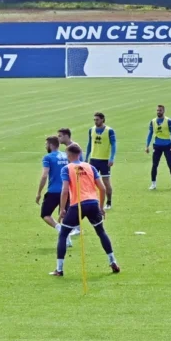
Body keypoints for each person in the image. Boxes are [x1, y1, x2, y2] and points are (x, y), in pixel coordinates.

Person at [53, 144, 120, 276]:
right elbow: (102, 188)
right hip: (93, 203)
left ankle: (59, 269)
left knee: (63, 234)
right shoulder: (91, 167)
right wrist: (101, 207)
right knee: (101, 232)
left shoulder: (66, 169)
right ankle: (113, 261)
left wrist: (62, 209)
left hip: (77, 205)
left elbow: (65, 190)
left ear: (70, 155)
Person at [85, 112, 117, 210]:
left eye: (97, 119)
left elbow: (114, 145)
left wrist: (111, 158)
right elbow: (89, 144)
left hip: (104, 160)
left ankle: (109, 202)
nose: (95, 121)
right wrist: (86, 157)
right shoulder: (91, 130)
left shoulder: (109, 131)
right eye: (94, 120)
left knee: (106, 181)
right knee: (90, 181)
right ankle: (91, 201)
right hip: (93, 159)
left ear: (103, 119)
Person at [145, 104, 171, 190]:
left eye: (160, 110)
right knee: (154, 165)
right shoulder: (153, 121)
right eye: (157, 110)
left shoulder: (168, 121)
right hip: (157, 146)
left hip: (167, 145)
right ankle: (153, 184)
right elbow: (150, 134)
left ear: (163, 111)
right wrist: (147, 145)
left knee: (170, 164)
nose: (158, 112)